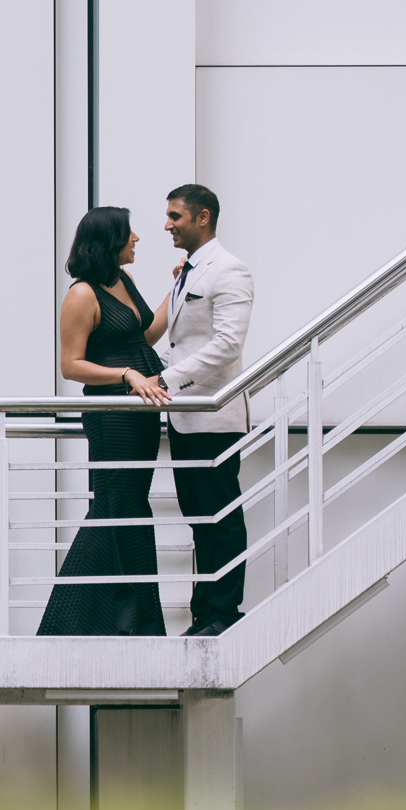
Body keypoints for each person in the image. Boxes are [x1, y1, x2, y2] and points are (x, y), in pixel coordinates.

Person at [37, 207, 169, 637]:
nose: (137, 238)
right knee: (115, 505)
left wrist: (181, 287)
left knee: (130, 508)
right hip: (112, 415)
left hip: (139, 413)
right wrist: (127, 375)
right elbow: (70, 366)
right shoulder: (82, 294)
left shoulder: (123, 282)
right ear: (108, 241)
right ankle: (73, 622)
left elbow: (142, 335)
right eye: (128, 232)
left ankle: (131, 620)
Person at [160, 184, 254, 636]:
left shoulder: (230, 270)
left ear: (202, 218)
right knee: (198, 518)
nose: (167, 225)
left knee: (221, 517)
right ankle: (205, 613)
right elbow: (181, 344)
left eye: (175, 216)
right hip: (184, 416)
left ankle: (225, 611)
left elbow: (227, 343)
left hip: (214, 414)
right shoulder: (187, 272)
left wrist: (169, 381)